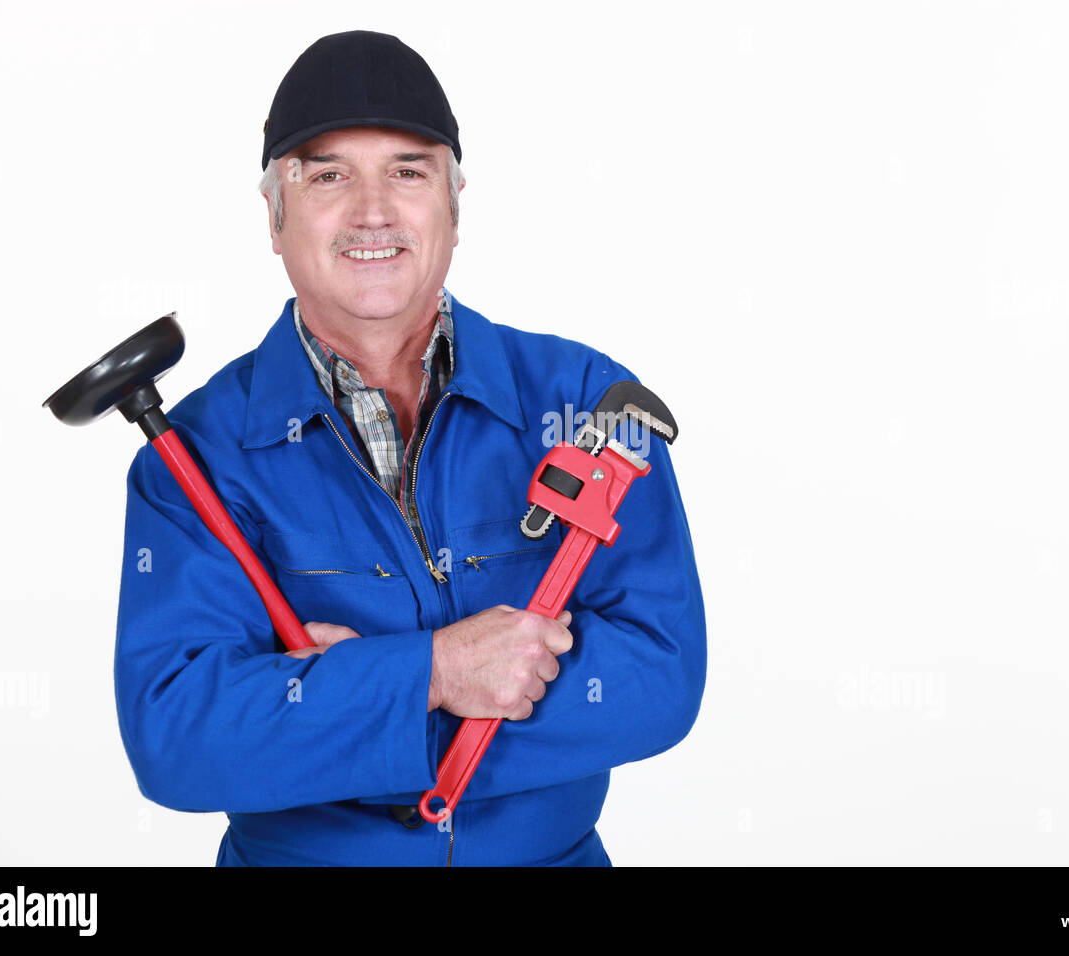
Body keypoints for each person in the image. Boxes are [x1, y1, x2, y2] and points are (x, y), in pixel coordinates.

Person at [114, 30, 706, 866]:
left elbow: (658, 679)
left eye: (408, 170)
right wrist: (429, 672)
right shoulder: (198, 460)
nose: (372, 211)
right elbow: (178, 740)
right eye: (326, 175)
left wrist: (338, 710)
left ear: (455, 206)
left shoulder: (584, 406)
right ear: (274, 218)